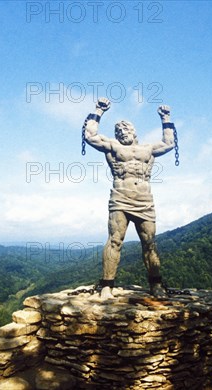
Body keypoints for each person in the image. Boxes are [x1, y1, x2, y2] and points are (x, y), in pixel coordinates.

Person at [83, 97, 176, 298]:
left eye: (126, 129)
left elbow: (169, 143)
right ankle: (107, 285)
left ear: (134, 132)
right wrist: (98, 111)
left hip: (144, 199)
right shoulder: (113, 146)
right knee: (115, 241)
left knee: (149, 242)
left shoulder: (148, 149)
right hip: (120, 197)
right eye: (118, 131)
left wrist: (166, 118)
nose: (122, 132)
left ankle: (156, 285)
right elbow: (90, 137)